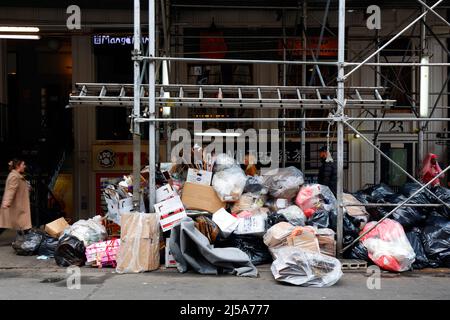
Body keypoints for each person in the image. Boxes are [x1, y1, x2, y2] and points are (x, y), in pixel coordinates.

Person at [0, 159, 32, 235]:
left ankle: (28, 240)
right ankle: (29, 240)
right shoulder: (14, 176)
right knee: (5, 224)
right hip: (15, 206)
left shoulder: (18, 176)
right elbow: (10, 190)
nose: (24, 166)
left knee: (24, 224)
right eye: (23, 165)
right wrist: (6, 202)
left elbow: (18, 188)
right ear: (18, 166)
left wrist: (27, 188)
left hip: (18, 205)